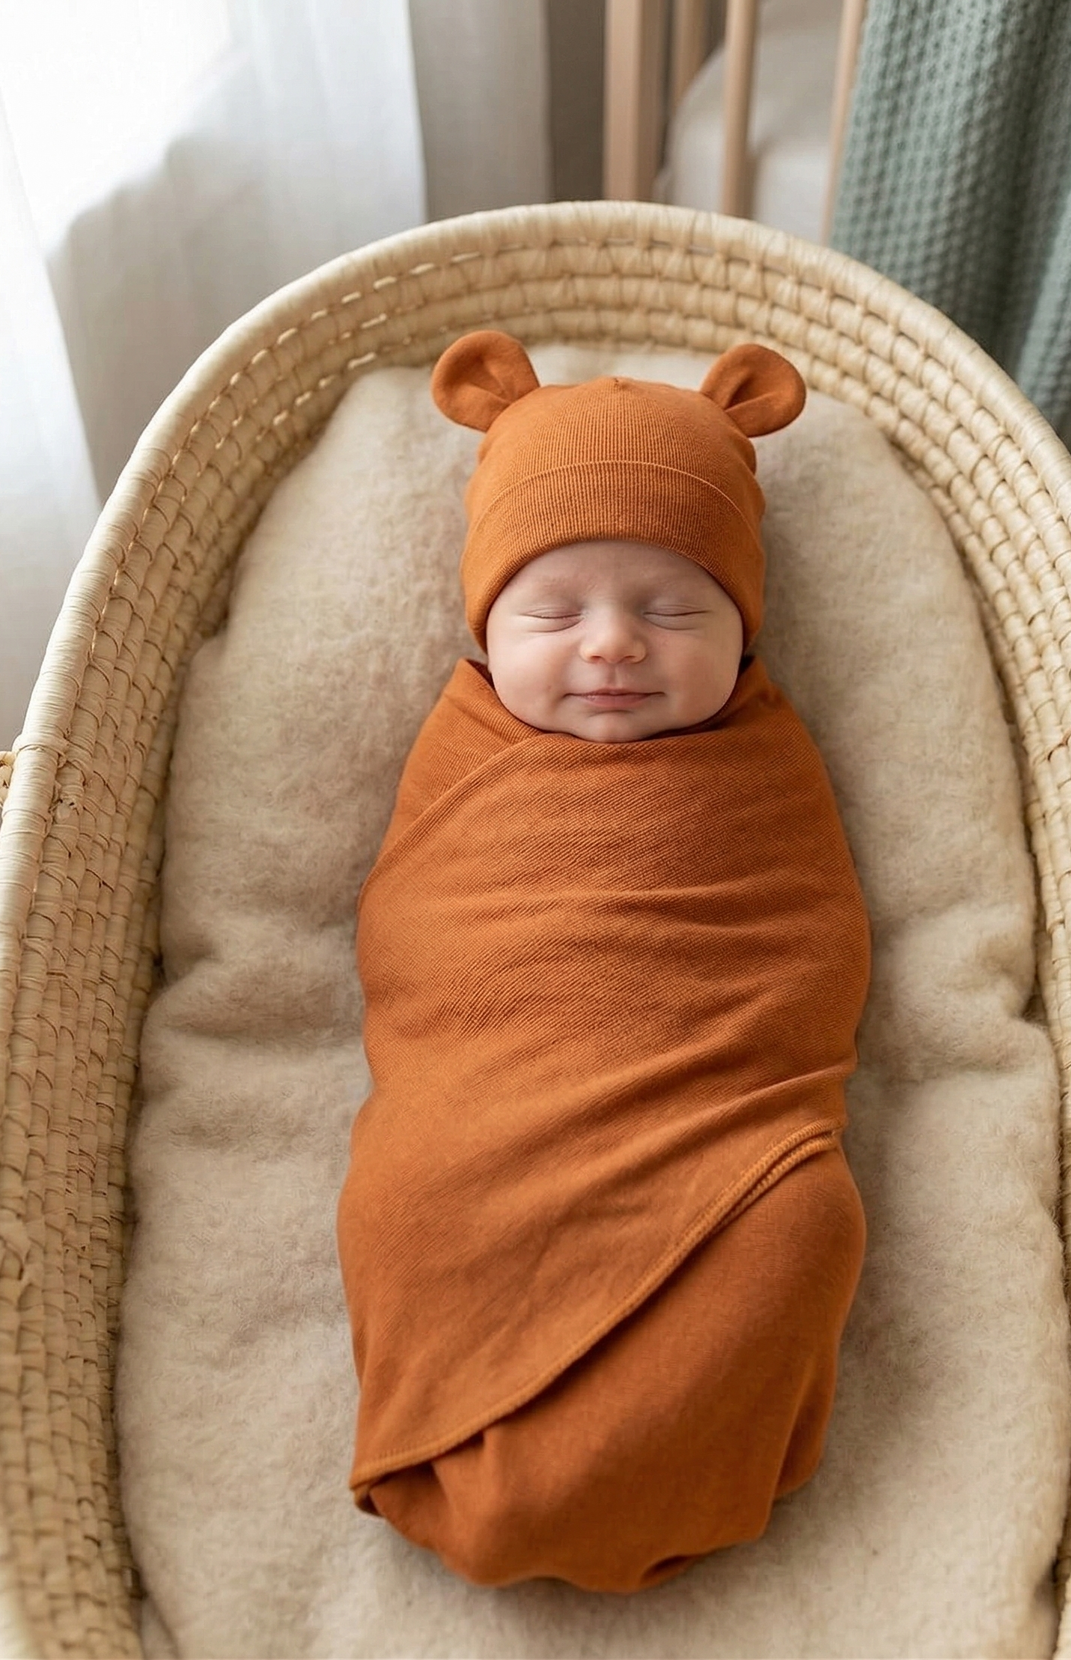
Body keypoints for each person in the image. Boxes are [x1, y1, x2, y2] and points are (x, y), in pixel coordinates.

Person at [336, 331, 871, 1592]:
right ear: (482, 627)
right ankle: (477, 1454)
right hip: (485, 1111)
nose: (613, 645)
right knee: (405, 1199)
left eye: (673, 607)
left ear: (741, 634)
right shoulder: (461, 746)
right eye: (555, 609)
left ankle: (669, 1451)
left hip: (712, 1111)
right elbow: (414, 935)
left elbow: (810, 939)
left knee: (803, 1219)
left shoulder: (763, 758)